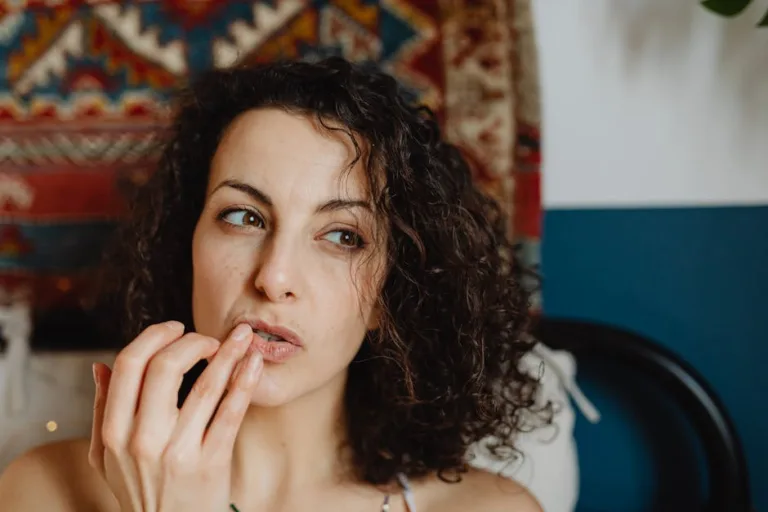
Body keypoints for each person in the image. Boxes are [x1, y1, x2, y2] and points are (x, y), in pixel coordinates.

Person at [0, 57, 547, 511]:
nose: (274, 278)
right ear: (185, 245)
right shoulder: (47, 491)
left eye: (343, 236)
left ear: (390, 293)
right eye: (244, 217)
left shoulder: (490, 508)